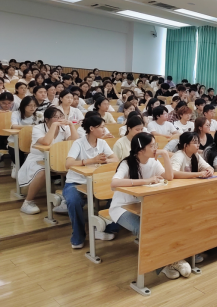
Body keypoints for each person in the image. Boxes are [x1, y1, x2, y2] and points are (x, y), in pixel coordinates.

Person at [109, 133, 187, 279]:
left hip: (143, 205)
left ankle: (172, 258)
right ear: (140, 150)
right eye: (151, 146)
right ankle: (163, 265)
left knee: (167, 223)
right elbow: (114, 183)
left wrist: (165, 155)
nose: (155, 148)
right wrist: (145, 181)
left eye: (155, 145)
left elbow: (169, 177)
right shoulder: (127, 163)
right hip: (122, 208)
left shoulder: (153, 161)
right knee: (145, 229)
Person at [64, 114, 119, 248]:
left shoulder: (102, 143)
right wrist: (92, 160)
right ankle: (78, 235)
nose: (104, 130)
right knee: (73, 201)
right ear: (92, 128)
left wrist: (104, 160)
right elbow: (68, 163)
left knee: (118, 196)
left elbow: (115, 159)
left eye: (104, 127)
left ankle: (103, 228)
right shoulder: (78, 143)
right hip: (76, 182)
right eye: (101, 127)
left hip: (97, 181)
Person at [18, 107, 79, 214]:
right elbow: (46, 142)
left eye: (61, 116)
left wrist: (71, 125)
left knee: (75, 169)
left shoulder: (64, 128)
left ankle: (66, 200)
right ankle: (27, 202)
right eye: (55, 117)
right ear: (46, 119)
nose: (59, 119)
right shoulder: (38, 128)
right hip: (38, 157)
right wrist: (54, 126)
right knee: (43, 172)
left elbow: (75, 141)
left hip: (58, 157)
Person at [8, 96, 39, 170]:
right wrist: (29, 127)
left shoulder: (39, 115)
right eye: (30, 105)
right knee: (19, 159)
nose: (33, 108)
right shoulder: (16, 113)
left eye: (35, 105)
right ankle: (18, 167)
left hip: (32, 142)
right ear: (24, 105)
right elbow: (14, 126)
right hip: (16, 142)